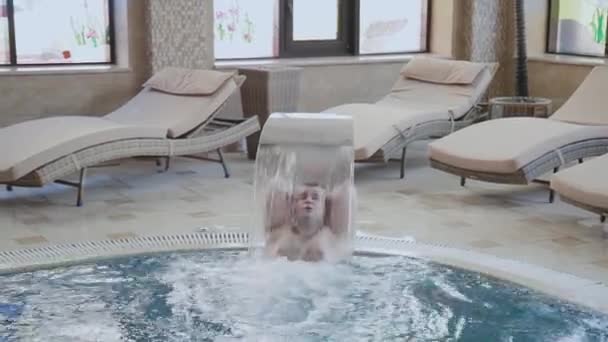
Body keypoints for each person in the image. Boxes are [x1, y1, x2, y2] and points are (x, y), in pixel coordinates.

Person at [264, 182, 352, 262]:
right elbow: (275, 187)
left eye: (315, 198)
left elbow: (346, 190)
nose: (309, 200)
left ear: (324, 209)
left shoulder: (333, 238)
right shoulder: (277, 234)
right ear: (292, 207)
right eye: (303, 197)